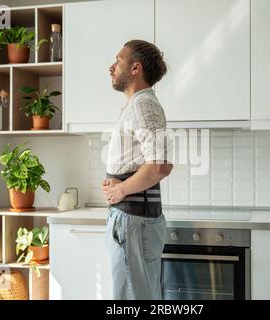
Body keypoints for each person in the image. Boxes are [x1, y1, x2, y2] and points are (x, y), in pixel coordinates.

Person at [101, 39, 173, 300]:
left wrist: (120, 189)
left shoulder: (143, 105)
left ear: (135, 69)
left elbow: (160, 166)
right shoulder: (136, 105)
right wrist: (116, 183)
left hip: (132, 221)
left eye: (118, 61)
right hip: (129, 220)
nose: (111, 67)